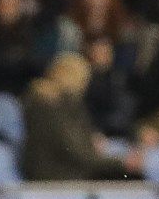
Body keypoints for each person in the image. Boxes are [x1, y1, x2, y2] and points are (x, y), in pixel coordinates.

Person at [21, 54, 141, 182]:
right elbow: (78, 153)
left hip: (64, 171)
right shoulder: (51, 106)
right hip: (58, 177)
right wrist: (121, 163)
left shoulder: (59, 104)